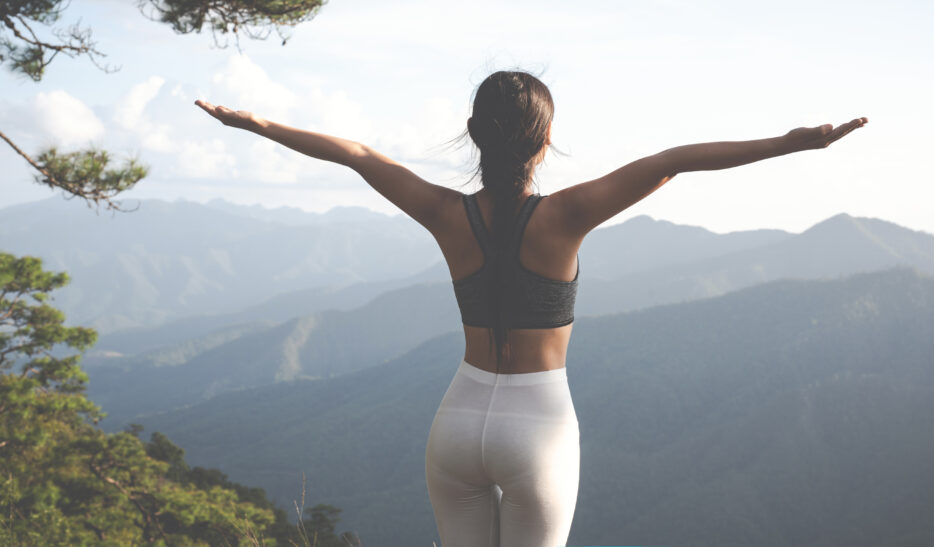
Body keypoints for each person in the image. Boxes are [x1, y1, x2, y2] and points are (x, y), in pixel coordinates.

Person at [196, 71, 867, 547]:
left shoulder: (442, 211)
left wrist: (255, 123)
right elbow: (675, 161)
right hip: (537, 425)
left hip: (456, 420)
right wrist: (792, 143)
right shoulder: (568, 213)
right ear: (545, 140)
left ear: (472, 134)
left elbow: (359, 157)